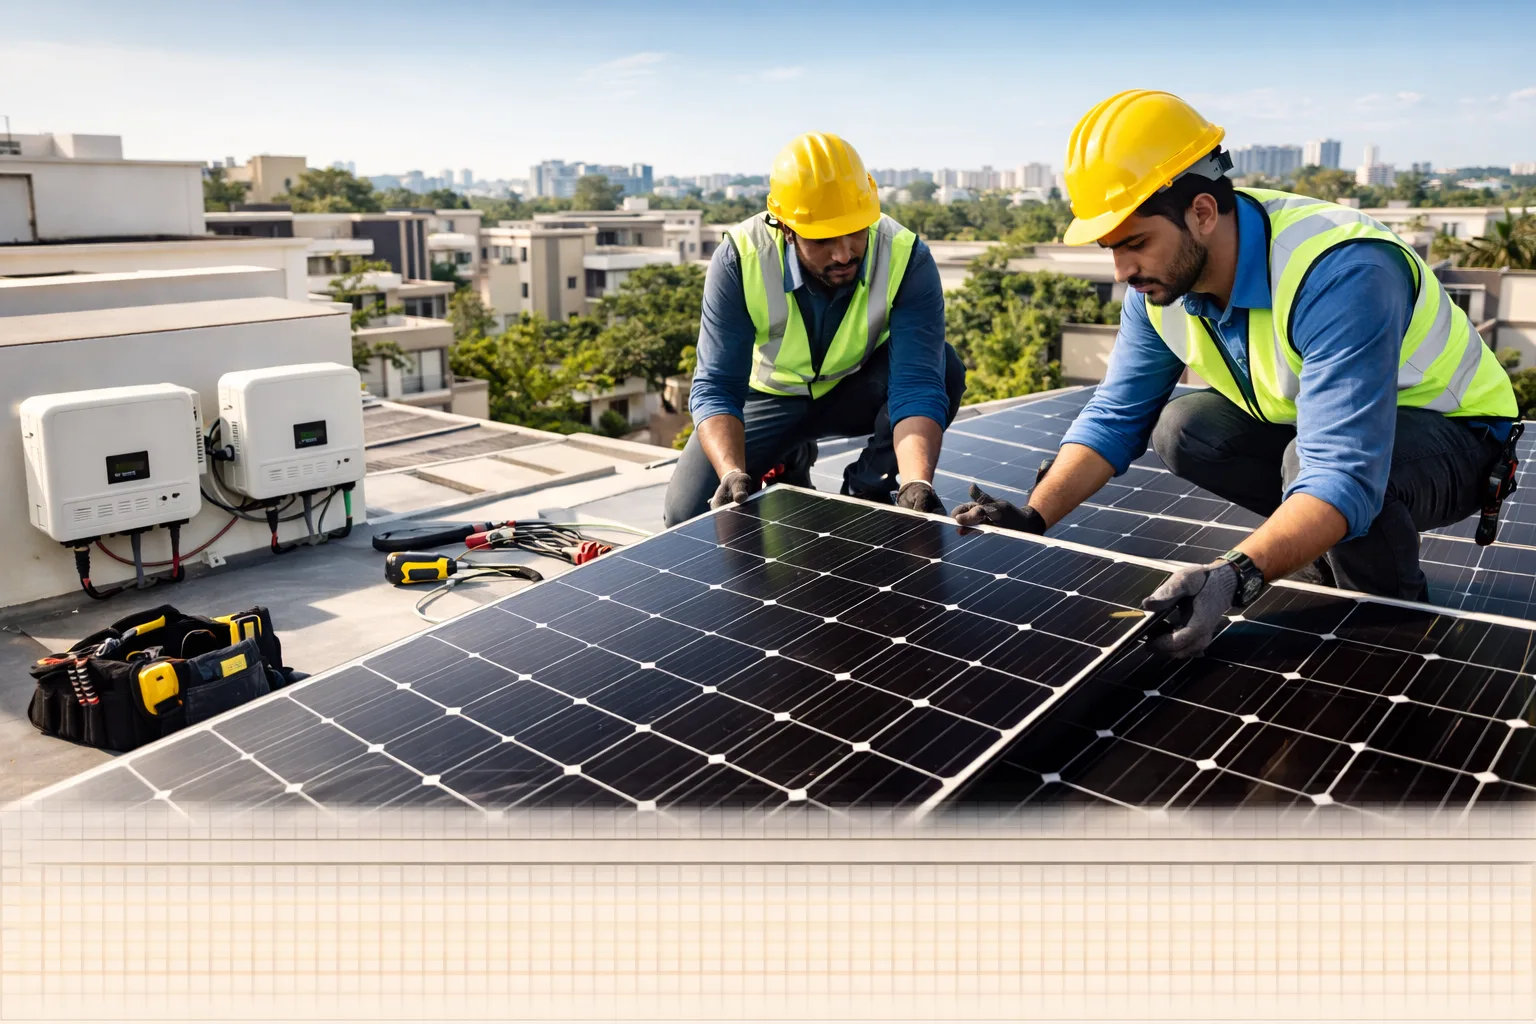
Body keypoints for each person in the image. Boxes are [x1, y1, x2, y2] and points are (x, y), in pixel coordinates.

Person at [954, 89, 1518, 658]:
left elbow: (1341, 470)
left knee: (1319, 473)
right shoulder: (1160, 287)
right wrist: (1034, 514)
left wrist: (1234, 576)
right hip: (1324, 431)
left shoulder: (1342, 269)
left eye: (1136, 243)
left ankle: (1394, 627)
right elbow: (1115, 416)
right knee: (1183, 426)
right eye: (1110, 247)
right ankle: (1317, 544)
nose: (1122, 270)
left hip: (1462, 438)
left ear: (1202, 212)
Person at [663, 131, 966, 527]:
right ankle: (791, 451)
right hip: (770, 397)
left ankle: (867, 487)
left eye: (856, 231)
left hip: (854, 389)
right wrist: (733, 472)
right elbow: (717, 385)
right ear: (786, 228)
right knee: (687, 514)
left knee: (945, 367)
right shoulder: (740, 260)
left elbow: (916, 384)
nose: (844, 253)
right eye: (824, 239)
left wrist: (915, 483)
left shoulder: (907, 256)